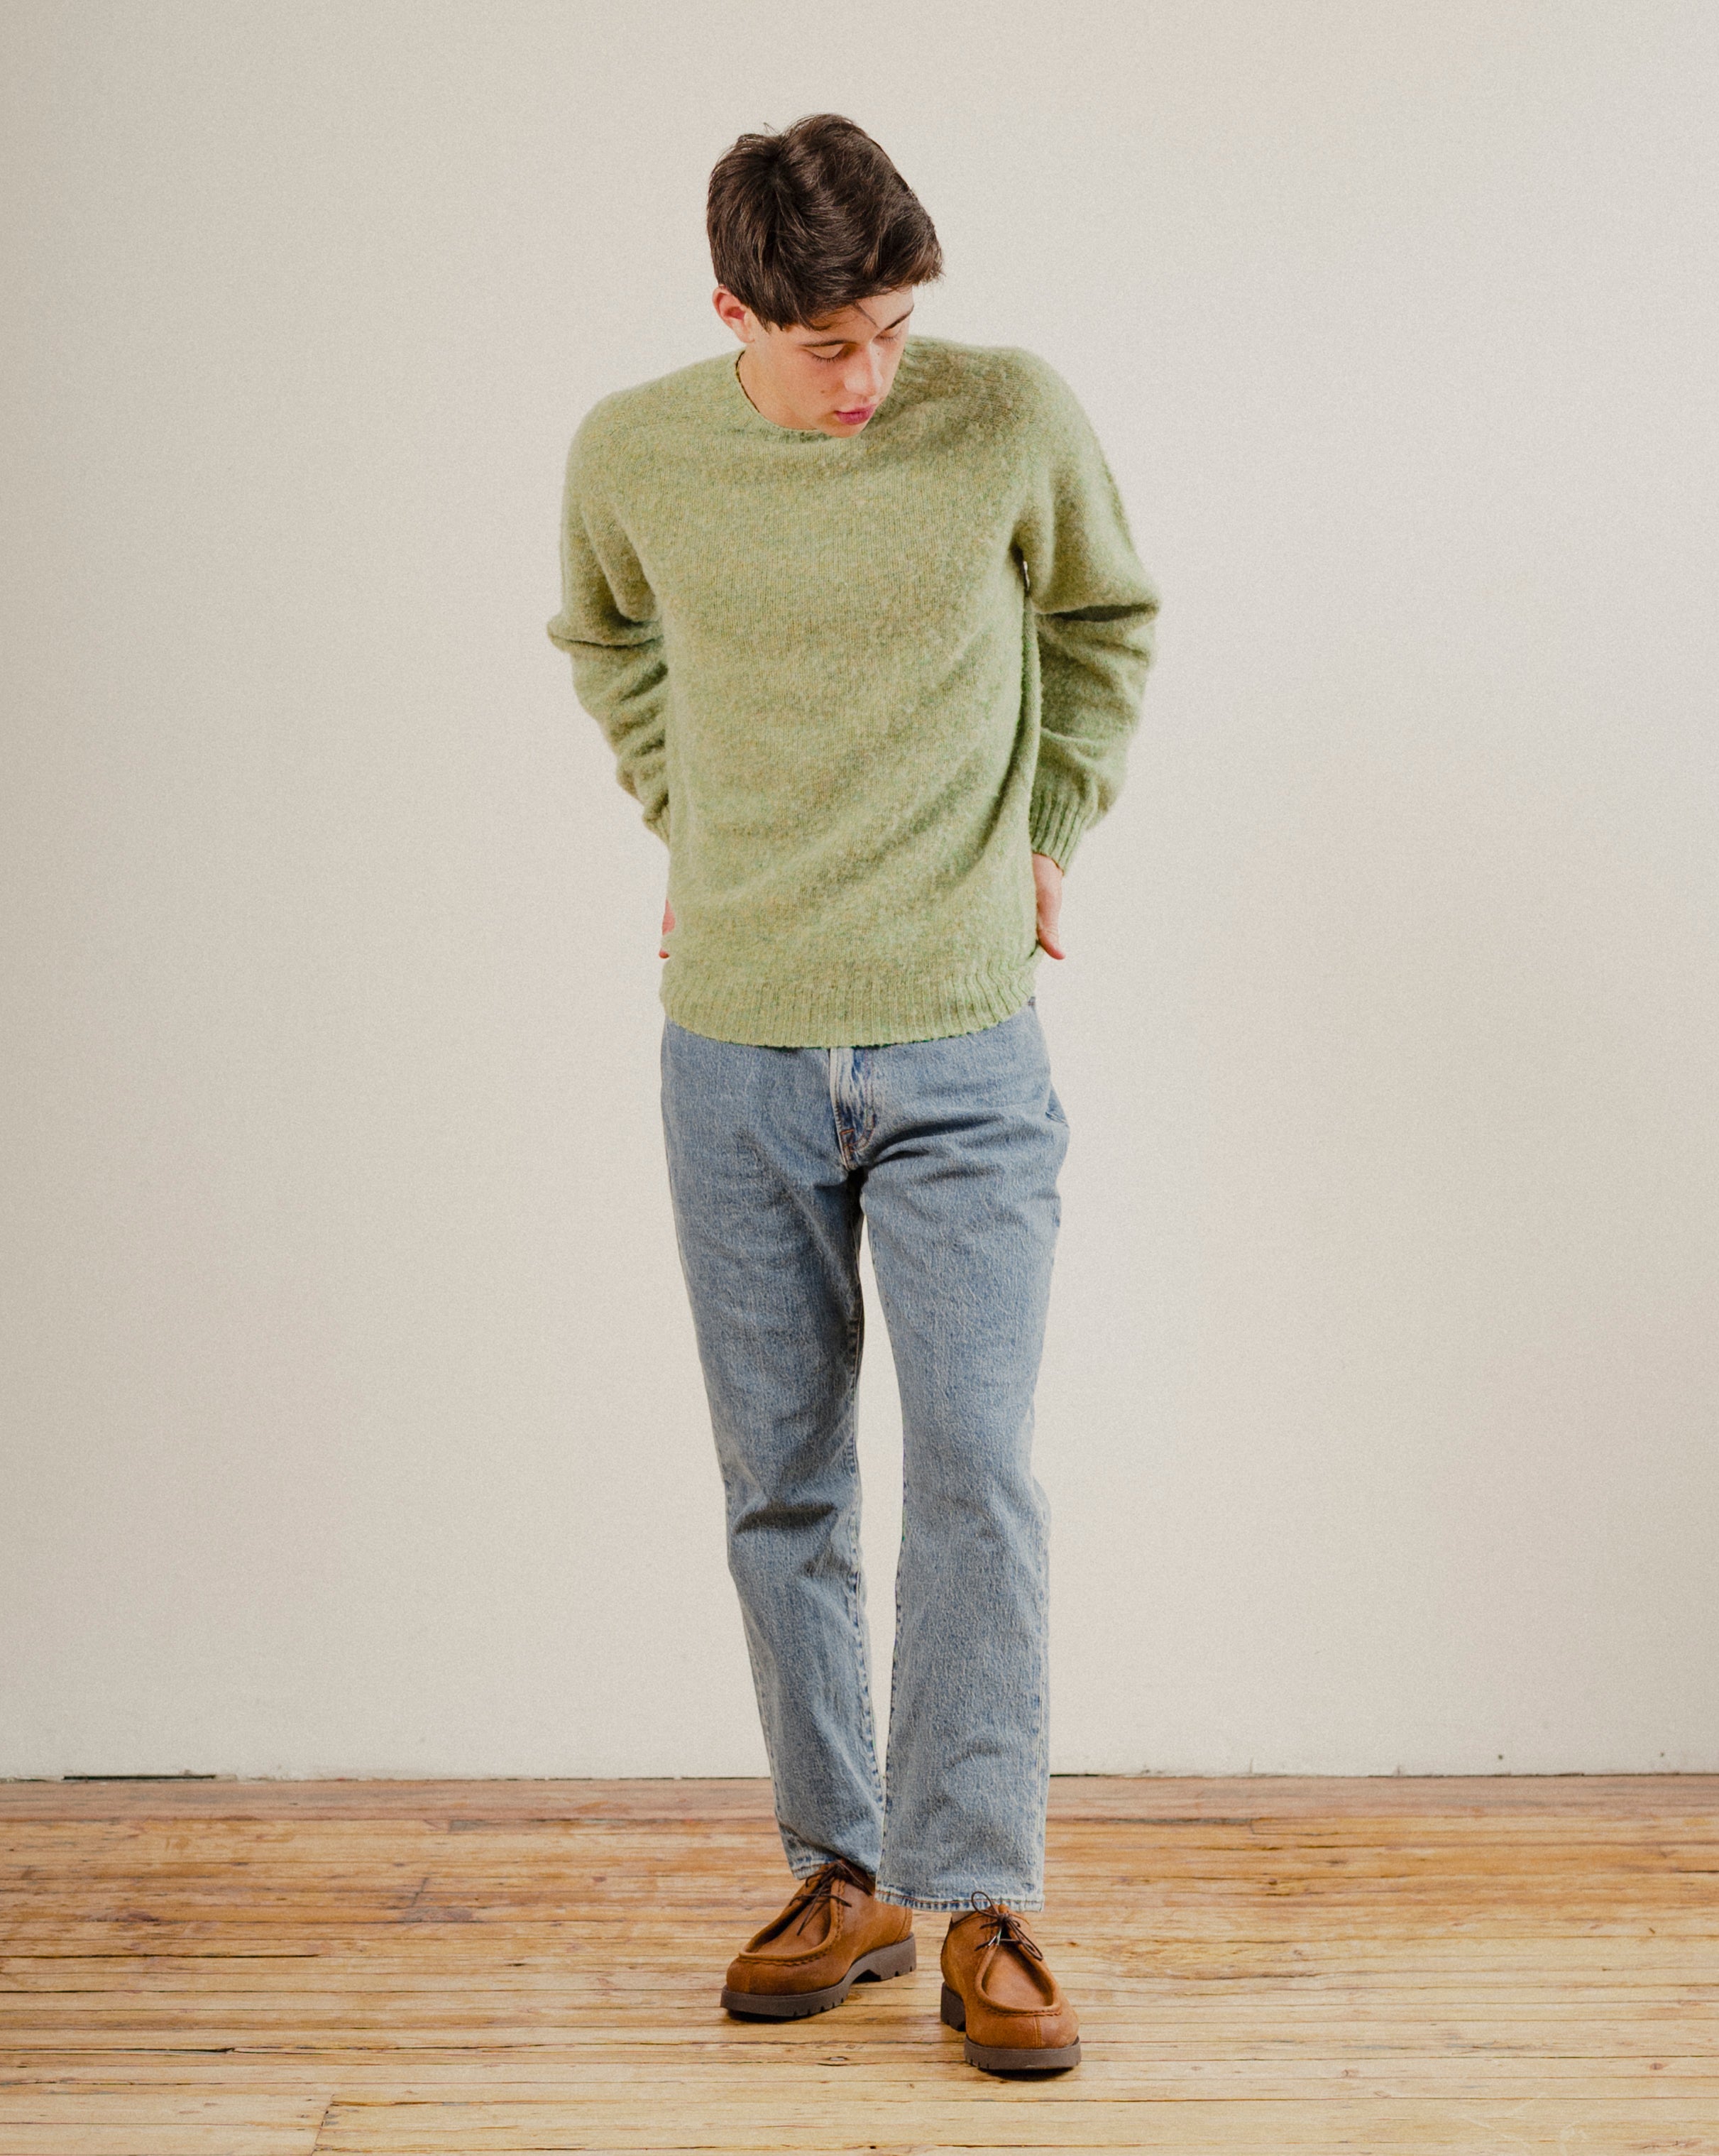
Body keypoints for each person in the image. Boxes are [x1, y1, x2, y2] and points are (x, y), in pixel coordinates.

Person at [548, 111, 1160, 2076]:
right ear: (735, 309)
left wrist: (1050, 827)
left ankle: (986, 1896)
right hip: (730, 1041)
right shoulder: (634, 455)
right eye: (832, 343)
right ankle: (847, 1870)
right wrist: (692, 811)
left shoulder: (1010, 420)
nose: (874, 376)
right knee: (783, 1485)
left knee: (974, 1473)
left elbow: (1104, 622)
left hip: (964, 1032)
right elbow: (609, 645)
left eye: (896, 327)